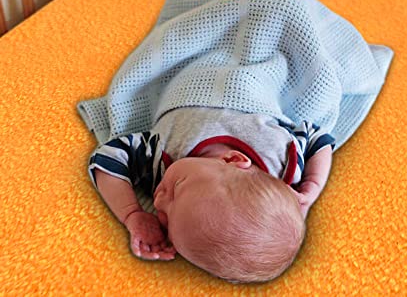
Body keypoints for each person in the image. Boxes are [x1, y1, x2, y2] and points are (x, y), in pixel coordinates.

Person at [90, 106, 334, 283]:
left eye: (165, 220)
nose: (158, 200)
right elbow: (317, 136)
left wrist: (132, 214)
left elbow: (108, 157)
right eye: (177, 187)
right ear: (232, 159)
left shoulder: (154, 159)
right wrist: (312, 185)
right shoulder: (283, 158)